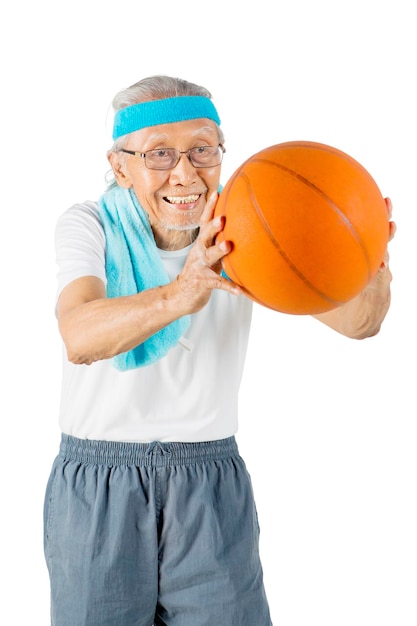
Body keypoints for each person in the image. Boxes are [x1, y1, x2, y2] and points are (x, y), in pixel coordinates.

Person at [43, 75, 395, 626]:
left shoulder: (248, 230)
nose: (184, 173)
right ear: (120, 166)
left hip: (208, 481)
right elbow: (79, 337)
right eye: (159, 153)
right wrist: (183, 291)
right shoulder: (89, 225)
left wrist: (365, 264)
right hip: (98, 484)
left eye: (202, 149)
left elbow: (360, 323)